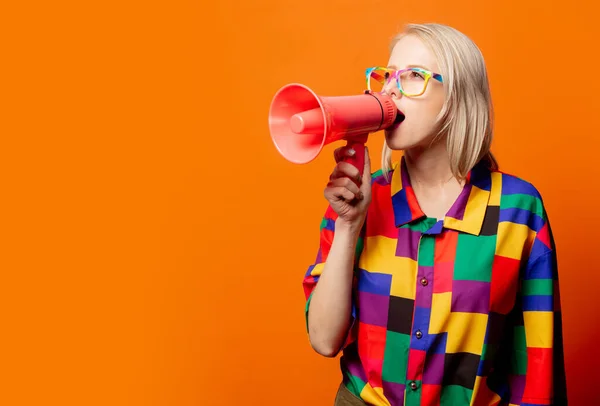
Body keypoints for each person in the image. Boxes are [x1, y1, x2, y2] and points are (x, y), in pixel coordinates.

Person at [302, 23, 567, 406]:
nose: (389, 89)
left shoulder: (518, 211)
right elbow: (324, 340)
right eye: (387, 75)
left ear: (458, 96)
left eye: (412, 76)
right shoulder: (358, 197)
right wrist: (348, 224)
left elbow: (536, 360)